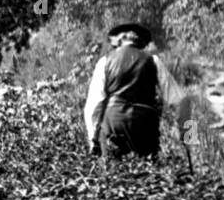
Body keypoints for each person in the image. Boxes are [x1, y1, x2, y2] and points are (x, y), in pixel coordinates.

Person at [83, 22, 193, 159]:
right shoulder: (153, 61)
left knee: (112, 174)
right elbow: (183, 101)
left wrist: (93, 140)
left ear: (118, 41)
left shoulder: (104, 62)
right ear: (142, 42)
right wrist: (188, 138)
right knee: (148, 174)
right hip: (144, 126)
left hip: (113, 125)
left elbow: (94, 106)